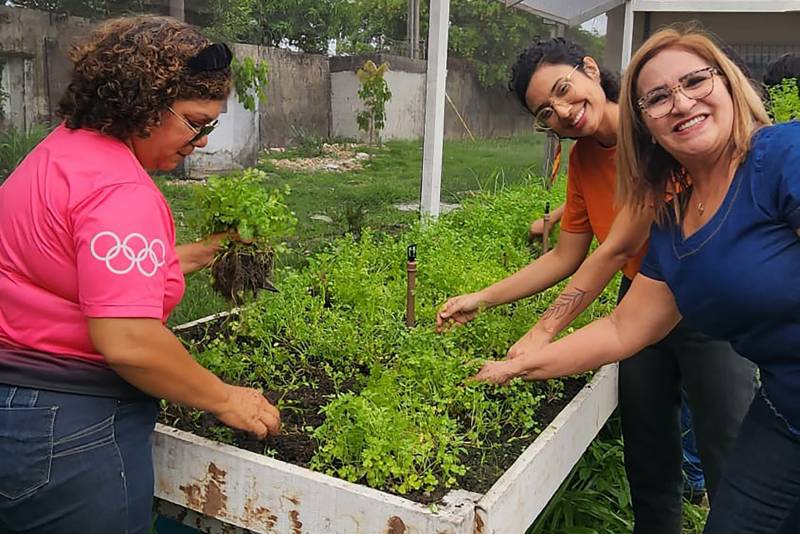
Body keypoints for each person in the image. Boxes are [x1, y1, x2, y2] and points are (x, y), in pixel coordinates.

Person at [470, 27, 800, 533]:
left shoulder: (776, 157)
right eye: (658, 98)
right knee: (650, 446)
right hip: (687, 318)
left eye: (694, 82)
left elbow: (616, 249)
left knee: (724, 444)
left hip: (712, 316)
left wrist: (541, 332)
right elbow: (615, 313)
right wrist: (507, 339)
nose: (679, 105)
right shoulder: (662, 214)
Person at [0, 16, 280, 534]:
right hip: (73, 432)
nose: (202, 140)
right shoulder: (120, 191)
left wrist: (205, 251)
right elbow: (128, 339)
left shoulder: (61, 152)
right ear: (145, 103)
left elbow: (96, 277)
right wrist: (224, 397)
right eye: (197, 122)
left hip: (18, 407)